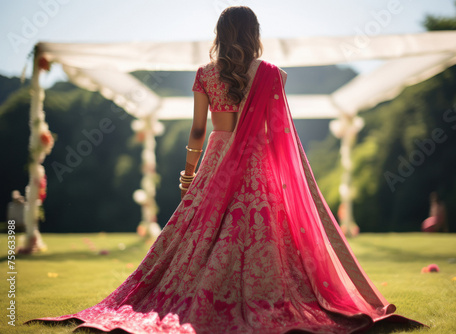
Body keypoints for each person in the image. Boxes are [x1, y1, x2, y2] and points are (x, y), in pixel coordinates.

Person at [26, 6, 424, 333]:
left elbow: (199, 129)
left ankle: (201, 292)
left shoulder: (206, 74)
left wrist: (187, 173)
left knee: (202, 232)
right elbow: (277, 131)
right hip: (257, 159)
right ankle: (264, 294)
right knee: (261, 229)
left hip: (216, 154)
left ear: (220, 33)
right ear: (254, 33)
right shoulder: (273, 75)